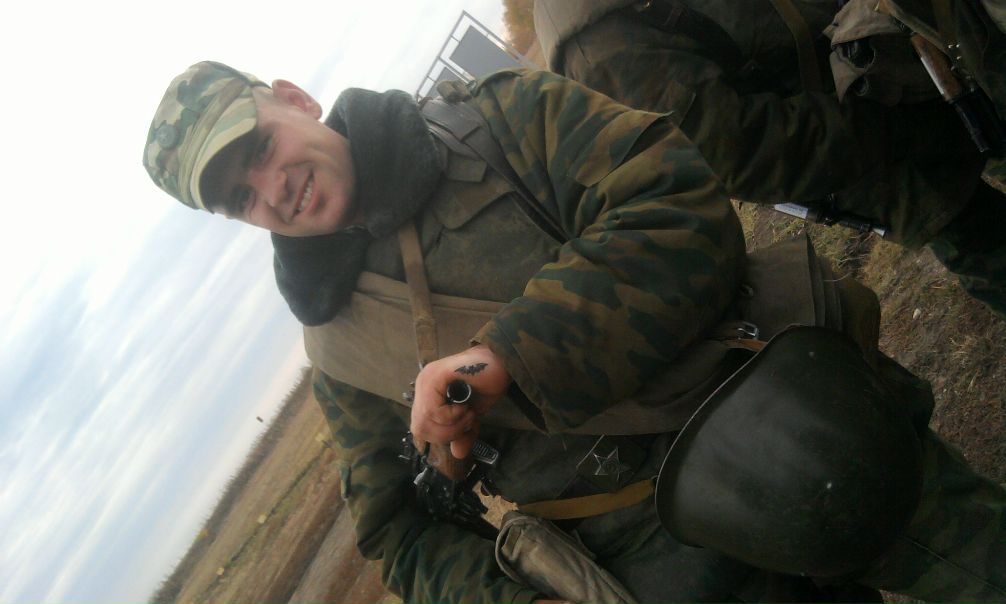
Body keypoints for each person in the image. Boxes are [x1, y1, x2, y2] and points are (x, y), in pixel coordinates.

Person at [142, 61, 1006, 603]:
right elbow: (398, 537)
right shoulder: (336, 350)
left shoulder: (495, 122)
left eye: (260, 150)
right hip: (668, 575)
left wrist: (506, 357)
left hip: (796, 430)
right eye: (240, 198)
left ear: (294, 100)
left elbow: (677, 204)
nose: (272, 190)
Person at [533, 0, 1006, 317]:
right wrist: (899, 124)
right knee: (983, 237)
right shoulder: (598, 41)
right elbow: (743, 151)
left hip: (903, 50)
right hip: (857, 140)